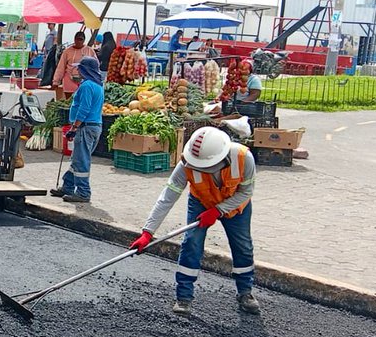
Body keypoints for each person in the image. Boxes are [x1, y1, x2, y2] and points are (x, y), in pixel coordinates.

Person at [128, 126, 260, 317]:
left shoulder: (243, 158)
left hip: (236, 206)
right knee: (191, 242)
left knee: (243, 246)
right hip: (201, 202)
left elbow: (246, 192)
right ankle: (184, 297)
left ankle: (245, 292)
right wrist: (148, 232)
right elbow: (167, 197)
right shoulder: (186, 164)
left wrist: (219, 210)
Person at [50, 56, 104, 203]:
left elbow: (84, 109)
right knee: (77, 158)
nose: (77, 70)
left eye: (80, 68)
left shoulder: (87, 86)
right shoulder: (98, 85)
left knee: (81, 161)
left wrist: (74, 127)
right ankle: (68, 186)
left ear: (86, 70)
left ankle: (83, 192)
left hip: (85, 127)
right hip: (94, 126)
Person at [52, 29, 98, 98]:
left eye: (81, 40)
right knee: (69, 99)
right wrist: (56, 81)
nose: (79, 41)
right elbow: (61, 67)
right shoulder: (67, 51)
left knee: (82, 98)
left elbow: (95, 65)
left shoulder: (89, 51)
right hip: (69, 79)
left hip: (84, 79)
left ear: (84, 40)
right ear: (74, 39)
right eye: (77, 39)